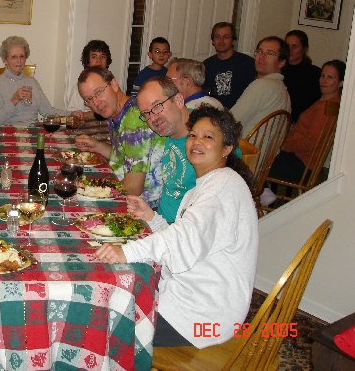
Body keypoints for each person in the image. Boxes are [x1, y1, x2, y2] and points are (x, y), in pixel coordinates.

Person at [96, 106, 258, 349]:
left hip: (201, 318)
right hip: (194, 300)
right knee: (113, 299)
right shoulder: (204, 186)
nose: (196, 142)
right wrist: (151, 217)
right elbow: (186, 235)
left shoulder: (223, 186)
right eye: (193, 135)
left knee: (100, 328)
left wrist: (127, 251)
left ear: (227, 148)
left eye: (208, 137)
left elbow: (185, 238)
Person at [76, 67, 164, 207]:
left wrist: (91, 190)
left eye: (98, 92)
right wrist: (97, 146)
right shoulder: (117, 112)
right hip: (128, 193)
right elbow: (124, 157)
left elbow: (133, 188)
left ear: (114, 84)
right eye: (89, 99)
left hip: (144, 206)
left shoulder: (134, 119)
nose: (96, 103)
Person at [267, 59, 343, 183]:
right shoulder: (328, 103)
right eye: (322, 75)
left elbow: (311, 142)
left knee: (258, 161)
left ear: (340, 83)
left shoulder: (325, 107)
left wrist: (286, 145)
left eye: (330, 77)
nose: (323, 80)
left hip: (302, 163)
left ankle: (263, 193)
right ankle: (266, 191)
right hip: (302, 161)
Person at [136, 77, 196, 222]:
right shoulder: (171, 129)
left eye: (157, 105)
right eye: (146, 113)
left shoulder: (206, 139)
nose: (153, 118)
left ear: (179, 100)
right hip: (158, 222)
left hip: (180, 234)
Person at [0, 36, 78, 126]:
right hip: (9, 132)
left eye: (22, 56)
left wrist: (70, 114)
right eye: (14, 57)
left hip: (33, 130)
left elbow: (48, 111)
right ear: (5, 60)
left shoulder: (32, 82)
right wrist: (14, 100)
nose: (19, 61)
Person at [231, 36, 291, 136]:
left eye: (270, 53)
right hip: (268, 151)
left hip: (247, 150)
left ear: (282, 62)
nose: (262, 57)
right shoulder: (282, 88)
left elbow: (230, 121)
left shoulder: (263, 85)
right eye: (259, 51)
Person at [203, 22, 255, 108]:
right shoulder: (206, 65)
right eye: (217, 37)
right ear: (213, 41)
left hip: (240, 113)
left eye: (226, 37)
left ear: (233, 40)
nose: (221, 41)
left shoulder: (247, 63)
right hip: (215, 113)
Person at [283, 30, 322, 122]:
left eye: (295, 46)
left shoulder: (315, 73)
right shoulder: (278, 70)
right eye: (287, 46)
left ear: (304, 49)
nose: (290, 50)